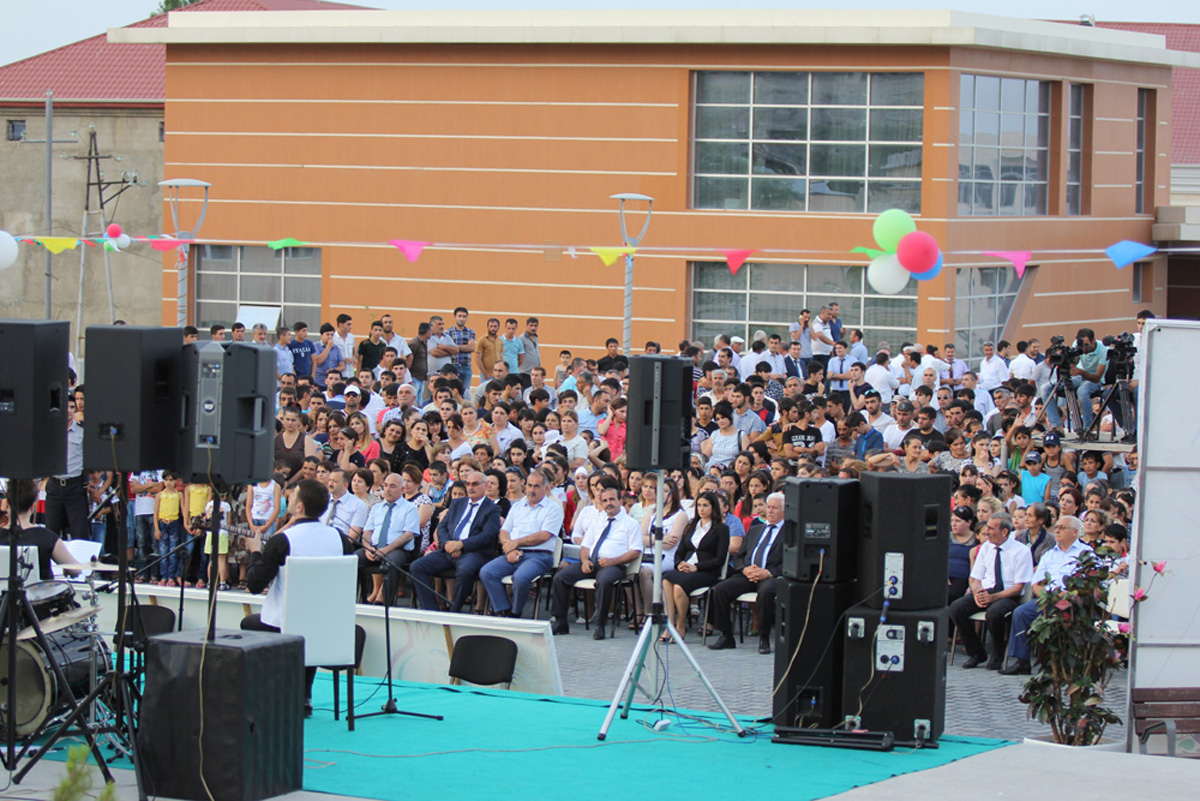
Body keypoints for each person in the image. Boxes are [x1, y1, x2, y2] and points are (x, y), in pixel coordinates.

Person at [242, 478, 344, 716]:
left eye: (293, 494)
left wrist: (256, 551)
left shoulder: (283, 540)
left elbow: (256, 584)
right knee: (308, 627)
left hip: (284, 625)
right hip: (326, 624)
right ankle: (304, 693)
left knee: (250, 624)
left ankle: (268, 689)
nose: (289, 496)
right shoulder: (339, 538)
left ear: (299, 507)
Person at [1000, 515, 1091, 676]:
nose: (1057, 530)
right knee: (1021, 613)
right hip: (1048, 599)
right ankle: (1022, 661)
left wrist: (1068, 596)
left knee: (1065, 616)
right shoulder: (1049, 554)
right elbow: (1036, 583)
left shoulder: (1086, 553)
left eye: (1062, 527)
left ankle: (1062, 662)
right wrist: (1047, 596)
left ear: (1075, 532)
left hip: (1072, 601)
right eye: (1056, 527)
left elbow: (1090, 582)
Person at [550, 481, 642, 639]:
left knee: (604, 582)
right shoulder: (598, 521)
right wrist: (585, 561)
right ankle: (560, 621)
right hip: (592, 562)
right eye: (605, 500)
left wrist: (612, 561)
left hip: (615, 566)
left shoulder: (631, 524)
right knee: (561, 577)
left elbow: (635, 552)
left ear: (620, 501)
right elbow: (585, 546)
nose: (608, 503)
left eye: (612, 499)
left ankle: (601, 624)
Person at [949, 512, 1033, 670]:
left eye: (991, 528)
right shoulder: (986, 547)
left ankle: (997, 655)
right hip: (985, 590)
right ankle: (977, 653)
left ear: (1004, 532)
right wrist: (977, 593)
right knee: (956, 608)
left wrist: (992, 598)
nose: (986, 532)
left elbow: (1018, 588)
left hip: (1007, 595)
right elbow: (975, 578)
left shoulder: (1021, 551)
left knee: (994, 613)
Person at [707, 492, 788, 654]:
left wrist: (769, 573)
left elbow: (790, 562)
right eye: (768, 507)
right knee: (720, 589)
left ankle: (764, 638)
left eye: (775, 508)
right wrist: (745, 569)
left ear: (785, 510)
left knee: (765, 593)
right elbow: (740, 557)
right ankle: (726, 636)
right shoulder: (755, 529)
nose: (770, 511)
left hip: (770, 576)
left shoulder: (790, 533)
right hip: (748, 574)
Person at [410, 470, 501, 612]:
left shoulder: (493, 509)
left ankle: (455, 611)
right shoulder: (457, 503)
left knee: (465, 570)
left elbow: (488, 536)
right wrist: (447, 544)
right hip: (448, 549)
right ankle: (430, 609)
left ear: (486, 485)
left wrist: (461, 545)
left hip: (474, 552)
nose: (470, 487)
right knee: (417, 567)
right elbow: (442, 527)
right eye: (468, 484)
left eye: (475, 484)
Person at [479, 470, 564, 617]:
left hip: (539, 555)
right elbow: (504, 531)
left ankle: (515, 612)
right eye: (529, 485)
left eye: (536, 486)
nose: (531, 490)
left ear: (546, 488)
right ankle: (502, 609)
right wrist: (509, 549)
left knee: (520, 578)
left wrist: (515, 543)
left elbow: (544, 536)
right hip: (514, 552)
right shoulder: (518, 506)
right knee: (487, 572)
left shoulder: (553, 508)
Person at [661, 491, 729, 643]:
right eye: (699, 505)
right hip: (686, 567)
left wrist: (696, 567)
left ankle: (680, 625)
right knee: (666, 580)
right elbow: (680, 552)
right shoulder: (691, 525)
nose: (701, 509)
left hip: (707, 570)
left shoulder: (721, 529)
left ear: (713, 507)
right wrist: (680, 564)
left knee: (679, 587)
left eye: (705, 505)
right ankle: (669, 624)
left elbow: (720, 558)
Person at [357, 473, 420, 605]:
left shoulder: (410, 508)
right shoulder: (377, 508)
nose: (387, 489)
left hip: (398, 549)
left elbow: (409, 535)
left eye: (392, 486)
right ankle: (358, 601)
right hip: (374, 547)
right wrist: (368, 548)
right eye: (385, 485)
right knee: (354, 559)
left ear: (402, 489)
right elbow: (367, 532)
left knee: (390, 563)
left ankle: (384, 602)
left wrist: (386, 549)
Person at [4, 478, 77, 582]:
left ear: (7, 504)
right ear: (33, 506)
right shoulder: (47, 537)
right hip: (38, 596)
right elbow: (75, 570)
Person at [45, 396, 88, 542]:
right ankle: (49, 564)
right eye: (66, 407)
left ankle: (81, 564)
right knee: (51, 530)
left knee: (79, 532)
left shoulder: (82, 432)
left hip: (74, 485)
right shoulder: (52, 432)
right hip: (54, 485)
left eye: (71, 407)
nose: (68, 411)